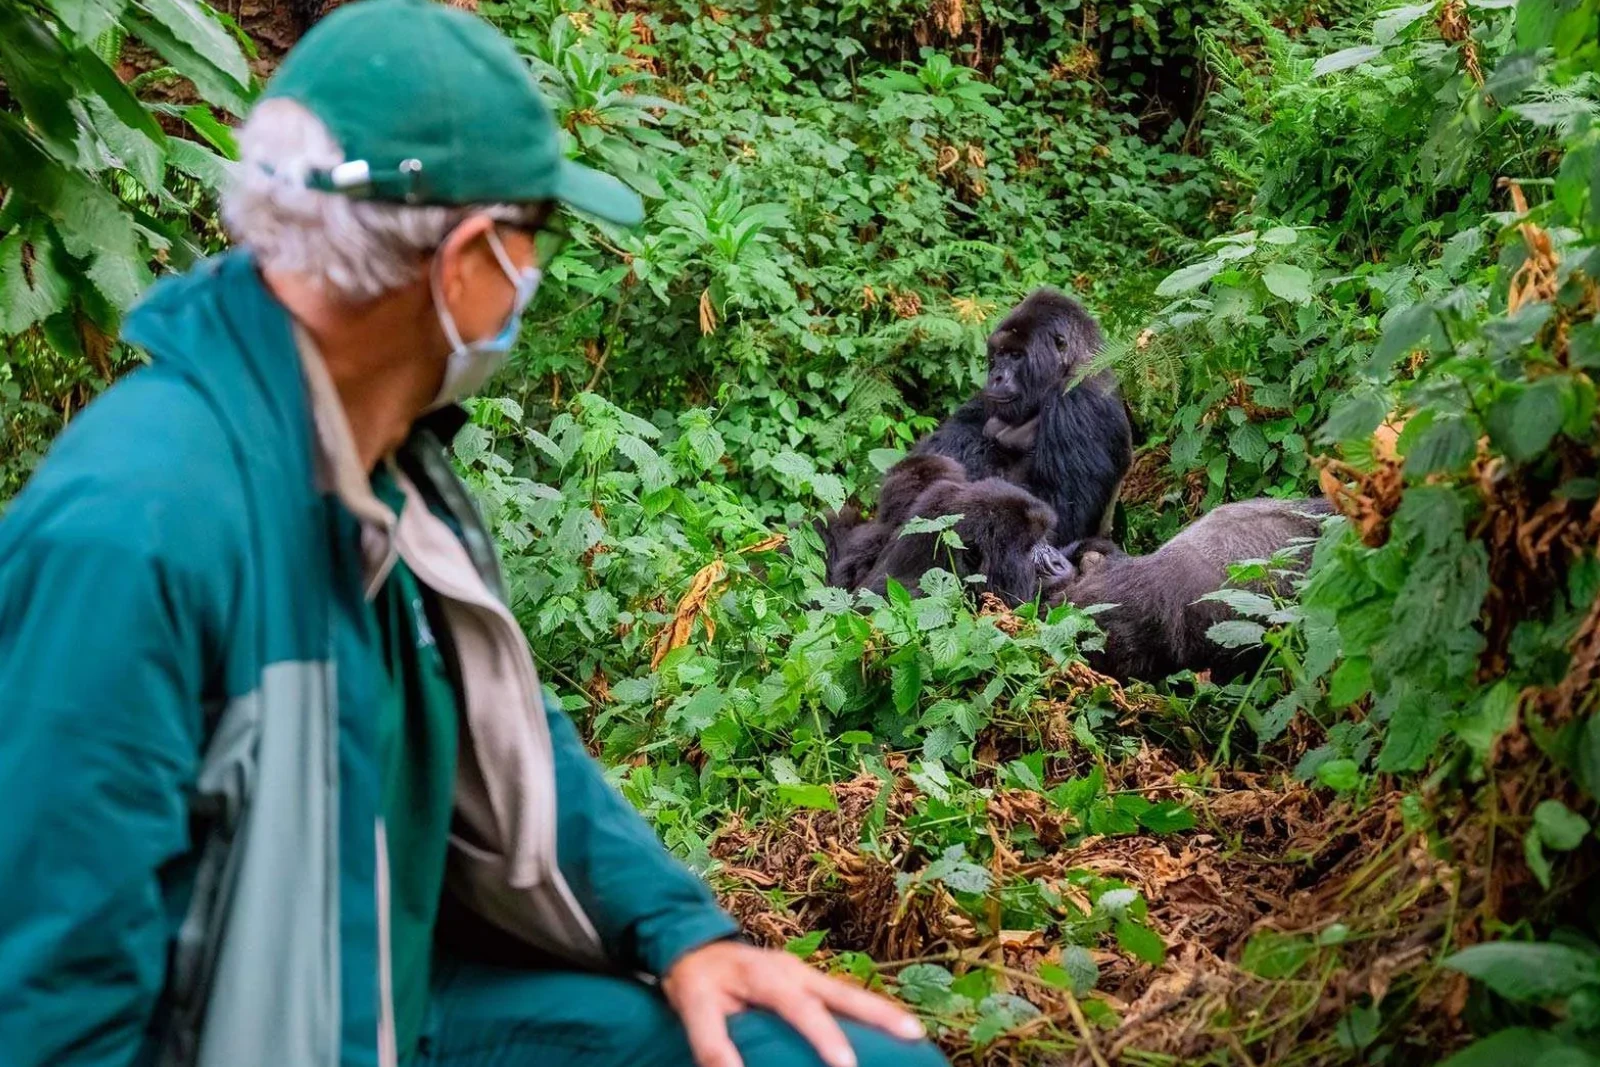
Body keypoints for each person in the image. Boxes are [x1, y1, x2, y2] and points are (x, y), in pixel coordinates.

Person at [0, 4, 949, 1067]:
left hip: (397, 991)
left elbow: (505, 735)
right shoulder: (134, 528)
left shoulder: (385, 458)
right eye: (534, 236)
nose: (535, 274)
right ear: (462, 263)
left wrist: (681, 930)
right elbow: (51, 1005)